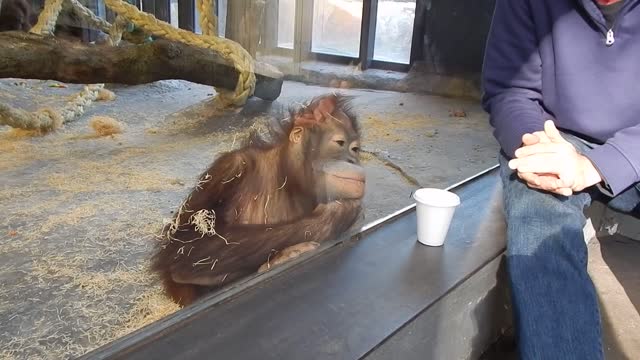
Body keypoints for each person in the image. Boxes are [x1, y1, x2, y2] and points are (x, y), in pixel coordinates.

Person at [481, 0, 640, 359]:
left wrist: (600, 166)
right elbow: (510, 90)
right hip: (558, 137)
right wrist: (541, 149)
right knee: (537, 206)